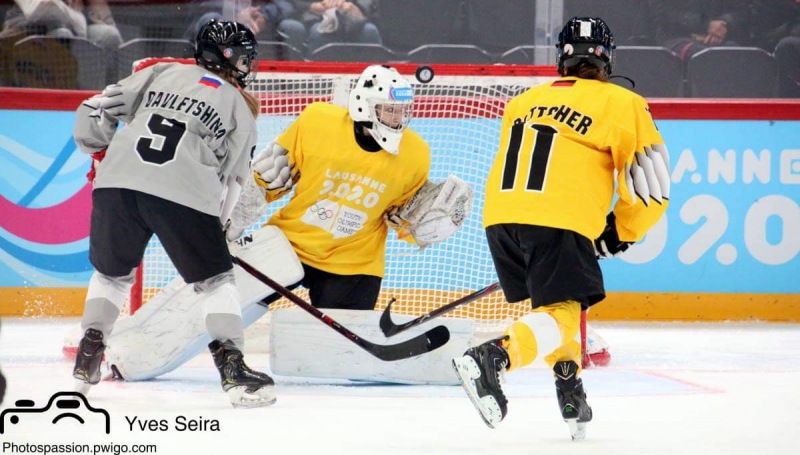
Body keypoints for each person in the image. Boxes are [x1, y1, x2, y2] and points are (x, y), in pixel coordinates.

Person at [452, 17, 670, 439]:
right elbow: (651, 187)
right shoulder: (622, 102)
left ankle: (568, 381)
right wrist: (619, 232)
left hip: (501, 216)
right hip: (557, 218)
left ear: (562, 58)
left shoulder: (524, 100)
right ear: (607, 59)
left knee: (552, 308)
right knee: (563, 310)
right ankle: (495, 356)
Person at [70, 19, 274, 409]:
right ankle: (234, 371)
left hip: (117, 183)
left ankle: (87, 358)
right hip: (182, 191)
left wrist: (102, 147)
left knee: (111, 276)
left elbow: (95, 107)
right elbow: (232, 180)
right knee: (216, 282)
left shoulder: (161, 71)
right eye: (246, 58)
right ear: (231, 58)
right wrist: (221, 227)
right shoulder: (239, 106)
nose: (251, 65)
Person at [249, 63, 471, 310]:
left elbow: (400, 217)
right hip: (289, 243)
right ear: (364, 105)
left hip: (354, 263)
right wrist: (228, 222)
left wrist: (423, 225)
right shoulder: (317, 122)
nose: (398, 118)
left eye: (402, 110)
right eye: (389, 109)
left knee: (342, 347)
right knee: (229, 305)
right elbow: (268, 178)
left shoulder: (416, 154)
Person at [184, 0, 306, 53]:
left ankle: (290, 87)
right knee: (210, 20)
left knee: (293, 27)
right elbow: (200, 4)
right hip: (222, 19)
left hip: (264, 26)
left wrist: (264, 15)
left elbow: (288, 3)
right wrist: (235, 14)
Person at [288, 0, 381, 53]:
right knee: (319, 33)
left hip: (351, 14)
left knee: (369, 32)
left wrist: (351, 5)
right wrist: (313, 6)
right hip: (315, 14)